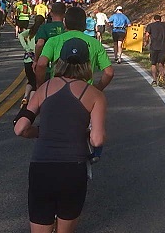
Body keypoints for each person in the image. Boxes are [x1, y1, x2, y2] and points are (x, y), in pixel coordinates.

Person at [14, 37, 106, 233]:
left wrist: (40, 132)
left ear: (60, 61)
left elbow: (20, 128)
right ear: (87, 63)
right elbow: (97, 139)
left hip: (41, 167)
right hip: (73, 169)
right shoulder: (95, 95)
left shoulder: (44, 89)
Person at [36, 7, 114, 91]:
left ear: (64, 22)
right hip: (85, 92)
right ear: (84, 24)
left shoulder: (54, 41)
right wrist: (98, 88)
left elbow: (41, 64)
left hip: (58, 90)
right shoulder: (95, 43)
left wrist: (40, 86)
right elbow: (109, 72)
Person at [19, 15, 46, 107]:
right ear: (43, 22)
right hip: (37, 58)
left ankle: (26, 96)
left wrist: (26, 47)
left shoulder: (30, 31)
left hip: (28, 59)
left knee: (30, 80)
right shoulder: (42, 33)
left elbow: (20, 35)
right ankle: (31, 103)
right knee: (36, 83)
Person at [144, 14, 165, 86]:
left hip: (154, 47)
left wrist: (146, 42)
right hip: (163, 47)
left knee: (153, 64)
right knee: (161, 63)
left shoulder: (150, 25)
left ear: (154, 19)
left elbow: (147, 35)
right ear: (161, 19)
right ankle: (161, 78)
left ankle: (154, 80)